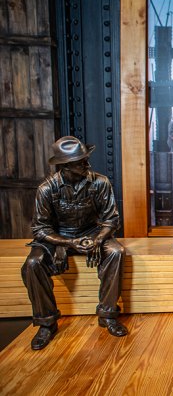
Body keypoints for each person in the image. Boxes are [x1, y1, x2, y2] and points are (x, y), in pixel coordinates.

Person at [21, 136, 128, 350]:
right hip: (56, 236)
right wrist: (67, 243)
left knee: (116, 252)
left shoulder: (100, 182)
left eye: (86, 159)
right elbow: (40, 229)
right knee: (32, 265)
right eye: (81, 162)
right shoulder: (46, 189)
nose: (87, 164)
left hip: (92, 232)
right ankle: (46, 322)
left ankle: (107, 314)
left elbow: (111, 219)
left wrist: (98, 240)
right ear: (66, 166)